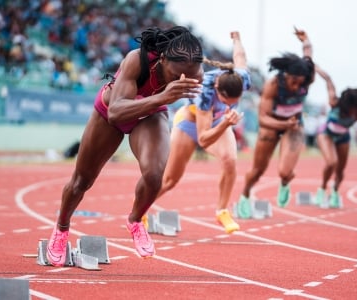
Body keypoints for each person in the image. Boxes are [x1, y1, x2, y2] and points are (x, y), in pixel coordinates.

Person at [45, 26, 204, 266]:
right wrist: (162, 97)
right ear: (162, 60)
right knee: (82, 181)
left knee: (154, 175)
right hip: (112, 110)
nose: (182, 81)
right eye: (175, 76)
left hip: (151, 113)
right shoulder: (136, 60)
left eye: (189, 77)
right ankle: (61, 229)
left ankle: (135, 220)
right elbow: (116, 113)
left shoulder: (195, 73)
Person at [155, 31, 250, 233]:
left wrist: (236, 40)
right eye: (225, 103)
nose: (229, 106)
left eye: (234, 104)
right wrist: (225, 123)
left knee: (230, 159)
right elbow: (204, 139)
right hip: (189, 124)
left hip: (218, 123)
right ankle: (141, 209)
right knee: (170, 180)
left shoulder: (241, 79)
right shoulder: (205, 94)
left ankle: (222, 211)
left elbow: (240, 58)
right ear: (218, 90)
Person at [237, 27, 315, 218]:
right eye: (293, 82)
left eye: (300, 83)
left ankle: (286, 182)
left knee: (285, 171)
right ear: (285, 75)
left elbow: (308, 55)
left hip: (294, 126)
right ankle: (245, 196)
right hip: (271, 125)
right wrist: (284, 124)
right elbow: (263, 118)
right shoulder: (273, 85)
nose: (297, 87)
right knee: (257, 170)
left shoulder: (306, 76)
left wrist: (305, 40)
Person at [314, 66, 357, 208]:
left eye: (356, 108)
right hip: (327, 134)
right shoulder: (334, 102)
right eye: (351, 108)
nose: (353, 112)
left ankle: (335, 192)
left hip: (343, 137)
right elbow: (328, 79)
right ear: (345, 105)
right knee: (331, 162)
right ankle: (322, 189)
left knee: (340, 170)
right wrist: (313, 65)